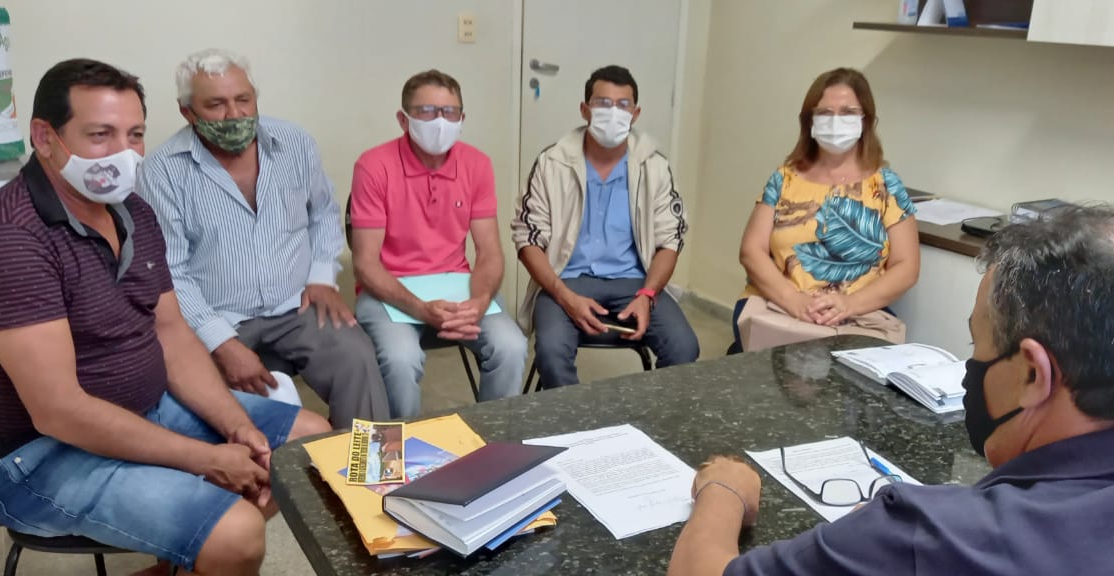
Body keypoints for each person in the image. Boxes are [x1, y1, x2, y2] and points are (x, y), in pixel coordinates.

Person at [669, 206, 1114, 575]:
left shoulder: (932, 537)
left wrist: (724, 490)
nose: (970, 369)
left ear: (1033, 375)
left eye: (978, 344)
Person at [0, 58, 332, 576]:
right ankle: (210, 550)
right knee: (237, 530)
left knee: (309, 443)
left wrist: (237, 427)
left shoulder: (133, 212)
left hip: (148, 408)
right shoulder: (5, 239)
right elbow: (59, 412)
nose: (123, 154)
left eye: (135, 135)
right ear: (44, 137)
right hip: (40, 455)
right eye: (100, 135)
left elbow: (172, 334)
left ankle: (189, 562)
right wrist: (205, 458)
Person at [139, 49, 389, 427]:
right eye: (216, 105)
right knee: (217, 410)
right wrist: (221, 342)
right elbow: (171, 271)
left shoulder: (295, 142)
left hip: (296, 304)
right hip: (217, 315)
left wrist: (322, 276)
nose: (235, 114)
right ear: (187, 112)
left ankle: (372, 462)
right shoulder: (161, 172)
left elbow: (322, 212)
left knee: (356, 357)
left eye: (243, 99)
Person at [350, 69, 527, 418]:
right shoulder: (373, 166)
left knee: (511, 346)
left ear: (462, 118)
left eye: (450, 112)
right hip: (389, 290)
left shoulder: (477, 164)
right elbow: (365, 263)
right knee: (400, 359)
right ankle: (401, 446)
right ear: (403, 119)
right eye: (427, 112)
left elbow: (490, 252)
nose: (440, 122)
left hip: (456, 286)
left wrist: (479, 301)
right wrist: (420, 308)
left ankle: (491, 437)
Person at [513, 65, 698, 389]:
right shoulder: (552, 162)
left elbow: (670, 241)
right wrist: (564, 296)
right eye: (602, 103)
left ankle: (653, 418)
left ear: (635, 114)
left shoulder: (654, 166)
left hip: (635, 282)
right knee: (552, 353)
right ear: (585, 110)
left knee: (684, 347)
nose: (613, 113)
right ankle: (575, 420)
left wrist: (647, 295)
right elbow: (527, 238)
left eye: (623, 105)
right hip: (565, 280)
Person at [731, 68, 918, 353]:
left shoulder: (886, 186)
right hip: (780, 307)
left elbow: (907, 266)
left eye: (847, 112)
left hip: (857, 315)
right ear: (810, 121)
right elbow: (751, 251)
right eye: (825, 113)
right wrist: (794, 300)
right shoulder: (784, 179)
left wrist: (848, 304)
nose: (835, 121)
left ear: (866, 120)